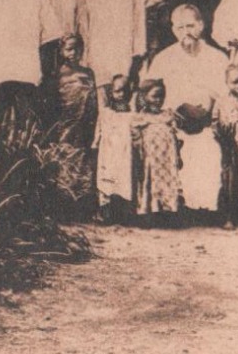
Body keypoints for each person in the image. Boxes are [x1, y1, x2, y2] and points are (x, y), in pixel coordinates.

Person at [146, 4, 229, 218]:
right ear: (174, 30)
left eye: (191, 25)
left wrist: (209, 113)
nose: (186, 32)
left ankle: (206, 209)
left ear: (201, 26)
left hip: (207, 123)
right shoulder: (163, 58)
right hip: (174, 123)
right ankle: (172, 209)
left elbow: (225, 96)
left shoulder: (218, 58)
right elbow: (148, 94)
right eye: (180, 27)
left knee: (209, 149)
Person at [211, 63, 238, 228]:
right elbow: (215, 122)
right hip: (229, 147)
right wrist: (222, 136)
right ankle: (229, 216)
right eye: (234, 82)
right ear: (226, 82)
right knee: (230, 180)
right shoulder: (221, 102)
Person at [132, 79, 181, 219]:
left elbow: (175, 135)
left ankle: (166, 211)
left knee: (167, 182)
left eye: (161, 96)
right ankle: (149, 212)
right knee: (150, 180)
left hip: (167, 158)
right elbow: (136, 137)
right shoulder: (141, 117)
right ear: (144, 96)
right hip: (150, 158)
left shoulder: (167, 115)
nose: (158, 100)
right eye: (155, 96)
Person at [95, 74, 136, 220]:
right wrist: (95, 143)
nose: (122, 95)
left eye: (125, 91)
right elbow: (99, 128)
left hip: (125, 151)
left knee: (124, 179)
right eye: (117, 91)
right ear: (111, 93)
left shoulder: (131, 112)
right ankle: (105, 212)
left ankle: (124, 213)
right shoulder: (106, 112)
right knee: (106, 179)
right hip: (108, 151)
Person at [53, 33, 98, 149]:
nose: (73, 53)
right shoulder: (57, 73)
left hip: (86, 121)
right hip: (66, 122)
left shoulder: (88, 72)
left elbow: (93, 97)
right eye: (69, 49)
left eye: (77, 49)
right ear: (61, 51)